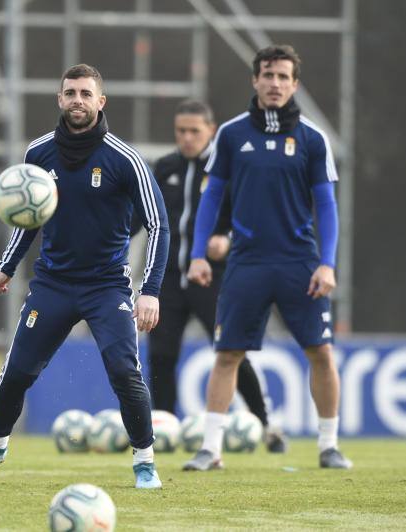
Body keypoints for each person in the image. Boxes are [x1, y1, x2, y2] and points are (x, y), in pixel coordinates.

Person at [0, 64, 169, 489]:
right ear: (59, 99)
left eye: (86, 93)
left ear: (100, 102)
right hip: (52, 285)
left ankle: (145, 462)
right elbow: (26, 220)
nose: (78, 100)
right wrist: (5, 267)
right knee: (16, 373)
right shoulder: (38, 154)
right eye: (70, 92)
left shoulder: (124, 159)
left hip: (107, 286)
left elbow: (159, 225)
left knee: (124, 372)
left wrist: (149, 291)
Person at [183, 45, 352, 471]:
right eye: (267, 75)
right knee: (226, 355)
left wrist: (327, 263)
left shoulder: (313, 138)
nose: (274, 83)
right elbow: (211, 198)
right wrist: (199, 254)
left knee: (321, 353)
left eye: (283, 77)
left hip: (300, 264)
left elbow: (326, 206)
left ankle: (329, 446)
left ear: (294, 84)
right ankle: (210, 450)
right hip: (246, 264)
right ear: (254, 80)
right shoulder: (231, 135)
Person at [147, 99, 286, 452]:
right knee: (161, 356)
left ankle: (264, 424)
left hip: (216, 281)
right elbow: (142, 217)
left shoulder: (230, 170)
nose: (188, 137)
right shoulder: (164, 168)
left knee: (232, 352)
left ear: (211, 130)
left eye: (195, 131)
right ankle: (162, 429)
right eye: (181, 131)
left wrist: (228, 239)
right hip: (168, 282)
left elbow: (253, 220)